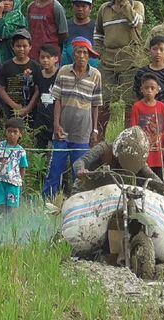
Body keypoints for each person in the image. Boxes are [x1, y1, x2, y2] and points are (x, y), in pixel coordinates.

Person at [42, 36, 102, 198]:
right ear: (73, 54)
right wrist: (56, 124)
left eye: (84, 53)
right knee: (55, 168)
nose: (81, 56)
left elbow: (95, 104)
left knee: (80, 172)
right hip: (62, 129)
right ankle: (49, 201)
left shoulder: (95, 75)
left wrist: (94, 130)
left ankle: (80, 201)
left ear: (89, 56)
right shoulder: (63, 71)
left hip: (83, 131)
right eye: (78, 52)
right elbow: (58, 99)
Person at [94, 0, 144, 135]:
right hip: (108, 63)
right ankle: (100, 140)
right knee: (104, 103)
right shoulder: (104, 8)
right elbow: (98, 33)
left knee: (130, 104)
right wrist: (100, 52)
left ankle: (129, 139)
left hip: (130, 62)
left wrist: (125, 4)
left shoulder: (136, 6)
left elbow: (135, 23)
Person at [73, 127, 164, 194]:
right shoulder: (103, 149)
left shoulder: (138, 161)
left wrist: (163, 185)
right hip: (86, 192)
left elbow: (152, 178)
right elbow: (80, 161)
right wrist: (81, 171)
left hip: (112, 196)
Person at [133, 36, 164, 138]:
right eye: (155, 49)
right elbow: (137, 97)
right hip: (144, 119)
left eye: (161, 49)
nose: (158, 52)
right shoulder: (141, 73)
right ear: (150, 51)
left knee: (163, 148)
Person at [0, 0, 27, 111]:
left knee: (6, 93)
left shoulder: (17, 17)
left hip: (6, 59)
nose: (6, 2)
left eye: (10, 0)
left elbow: (2, 32)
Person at [130, 74, 164, 180]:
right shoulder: (137, 107)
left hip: (158, 154)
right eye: (146, 88)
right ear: (141, 89)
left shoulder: (161, 107)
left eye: (152, 88)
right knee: (142, 183)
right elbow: (134, 131)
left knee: (159, 182)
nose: (149, 90)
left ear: (158, 89)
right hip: (143, 155)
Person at [0, 29, 41, 119]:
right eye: (18, 46)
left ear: (30, 47)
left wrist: (28, 108)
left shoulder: (36, 66)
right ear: (12, 47)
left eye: (25, 46)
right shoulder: (6, 66)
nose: (21, 49)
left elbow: (37, 90)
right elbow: (1, 89)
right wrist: (14, 106)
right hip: (10, 112)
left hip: (31, 112)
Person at [0, 117, 28, 214]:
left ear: (20, 134)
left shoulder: (21, 151)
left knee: (10, 206)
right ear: (5, 132)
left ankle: (9, 224)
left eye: (15, 132)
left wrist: (20, 181)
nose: (12, 134)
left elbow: (23, 167)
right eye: (9, 131)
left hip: (13, 183)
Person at [33, 44, 59, 148]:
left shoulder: (60, 75)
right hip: (41, 117)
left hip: (55, 118)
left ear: (56, 58)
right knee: (40, 150)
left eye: (48, 57)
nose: (45, 60)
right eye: (42, 57)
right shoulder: (38, 74)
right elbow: (37, 92)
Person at [61, 0, 99, 68]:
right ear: (73, 7)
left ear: (90, 8)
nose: (80, 9)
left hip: (91, 72)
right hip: (68, 70)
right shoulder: (66, 26)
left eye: (84, 6)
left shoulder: (96, 27)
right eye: (77, 6)